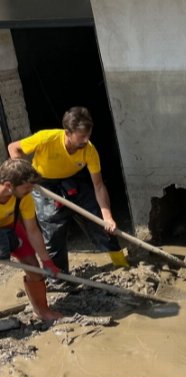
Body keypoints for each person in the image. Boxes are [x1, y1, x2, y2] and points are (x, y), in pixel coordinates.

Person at [7, 106, 128, 274]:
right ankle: (59, 277)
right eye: (81, 137)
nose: (86, 141)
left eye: (88, 136)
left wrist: (108, 217)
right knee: (53, 227)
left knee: (98, 219)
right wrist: (24, 175)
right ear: (68, 132)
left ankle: (121, 263)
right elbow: (14, 147)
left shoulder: (89, 150)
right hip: (44, 184)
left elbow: (99, 186)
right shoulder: (46, 138)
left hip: (72, 179)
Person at [0, 159, 62, 321]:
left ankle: (42, 311)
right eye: (27, 187)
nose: (31, 190)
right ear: (8, 186)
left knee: (34, 267)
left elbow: (33, 231)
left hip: (11, 228)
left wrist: (47, 261)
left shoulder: (23, 197)